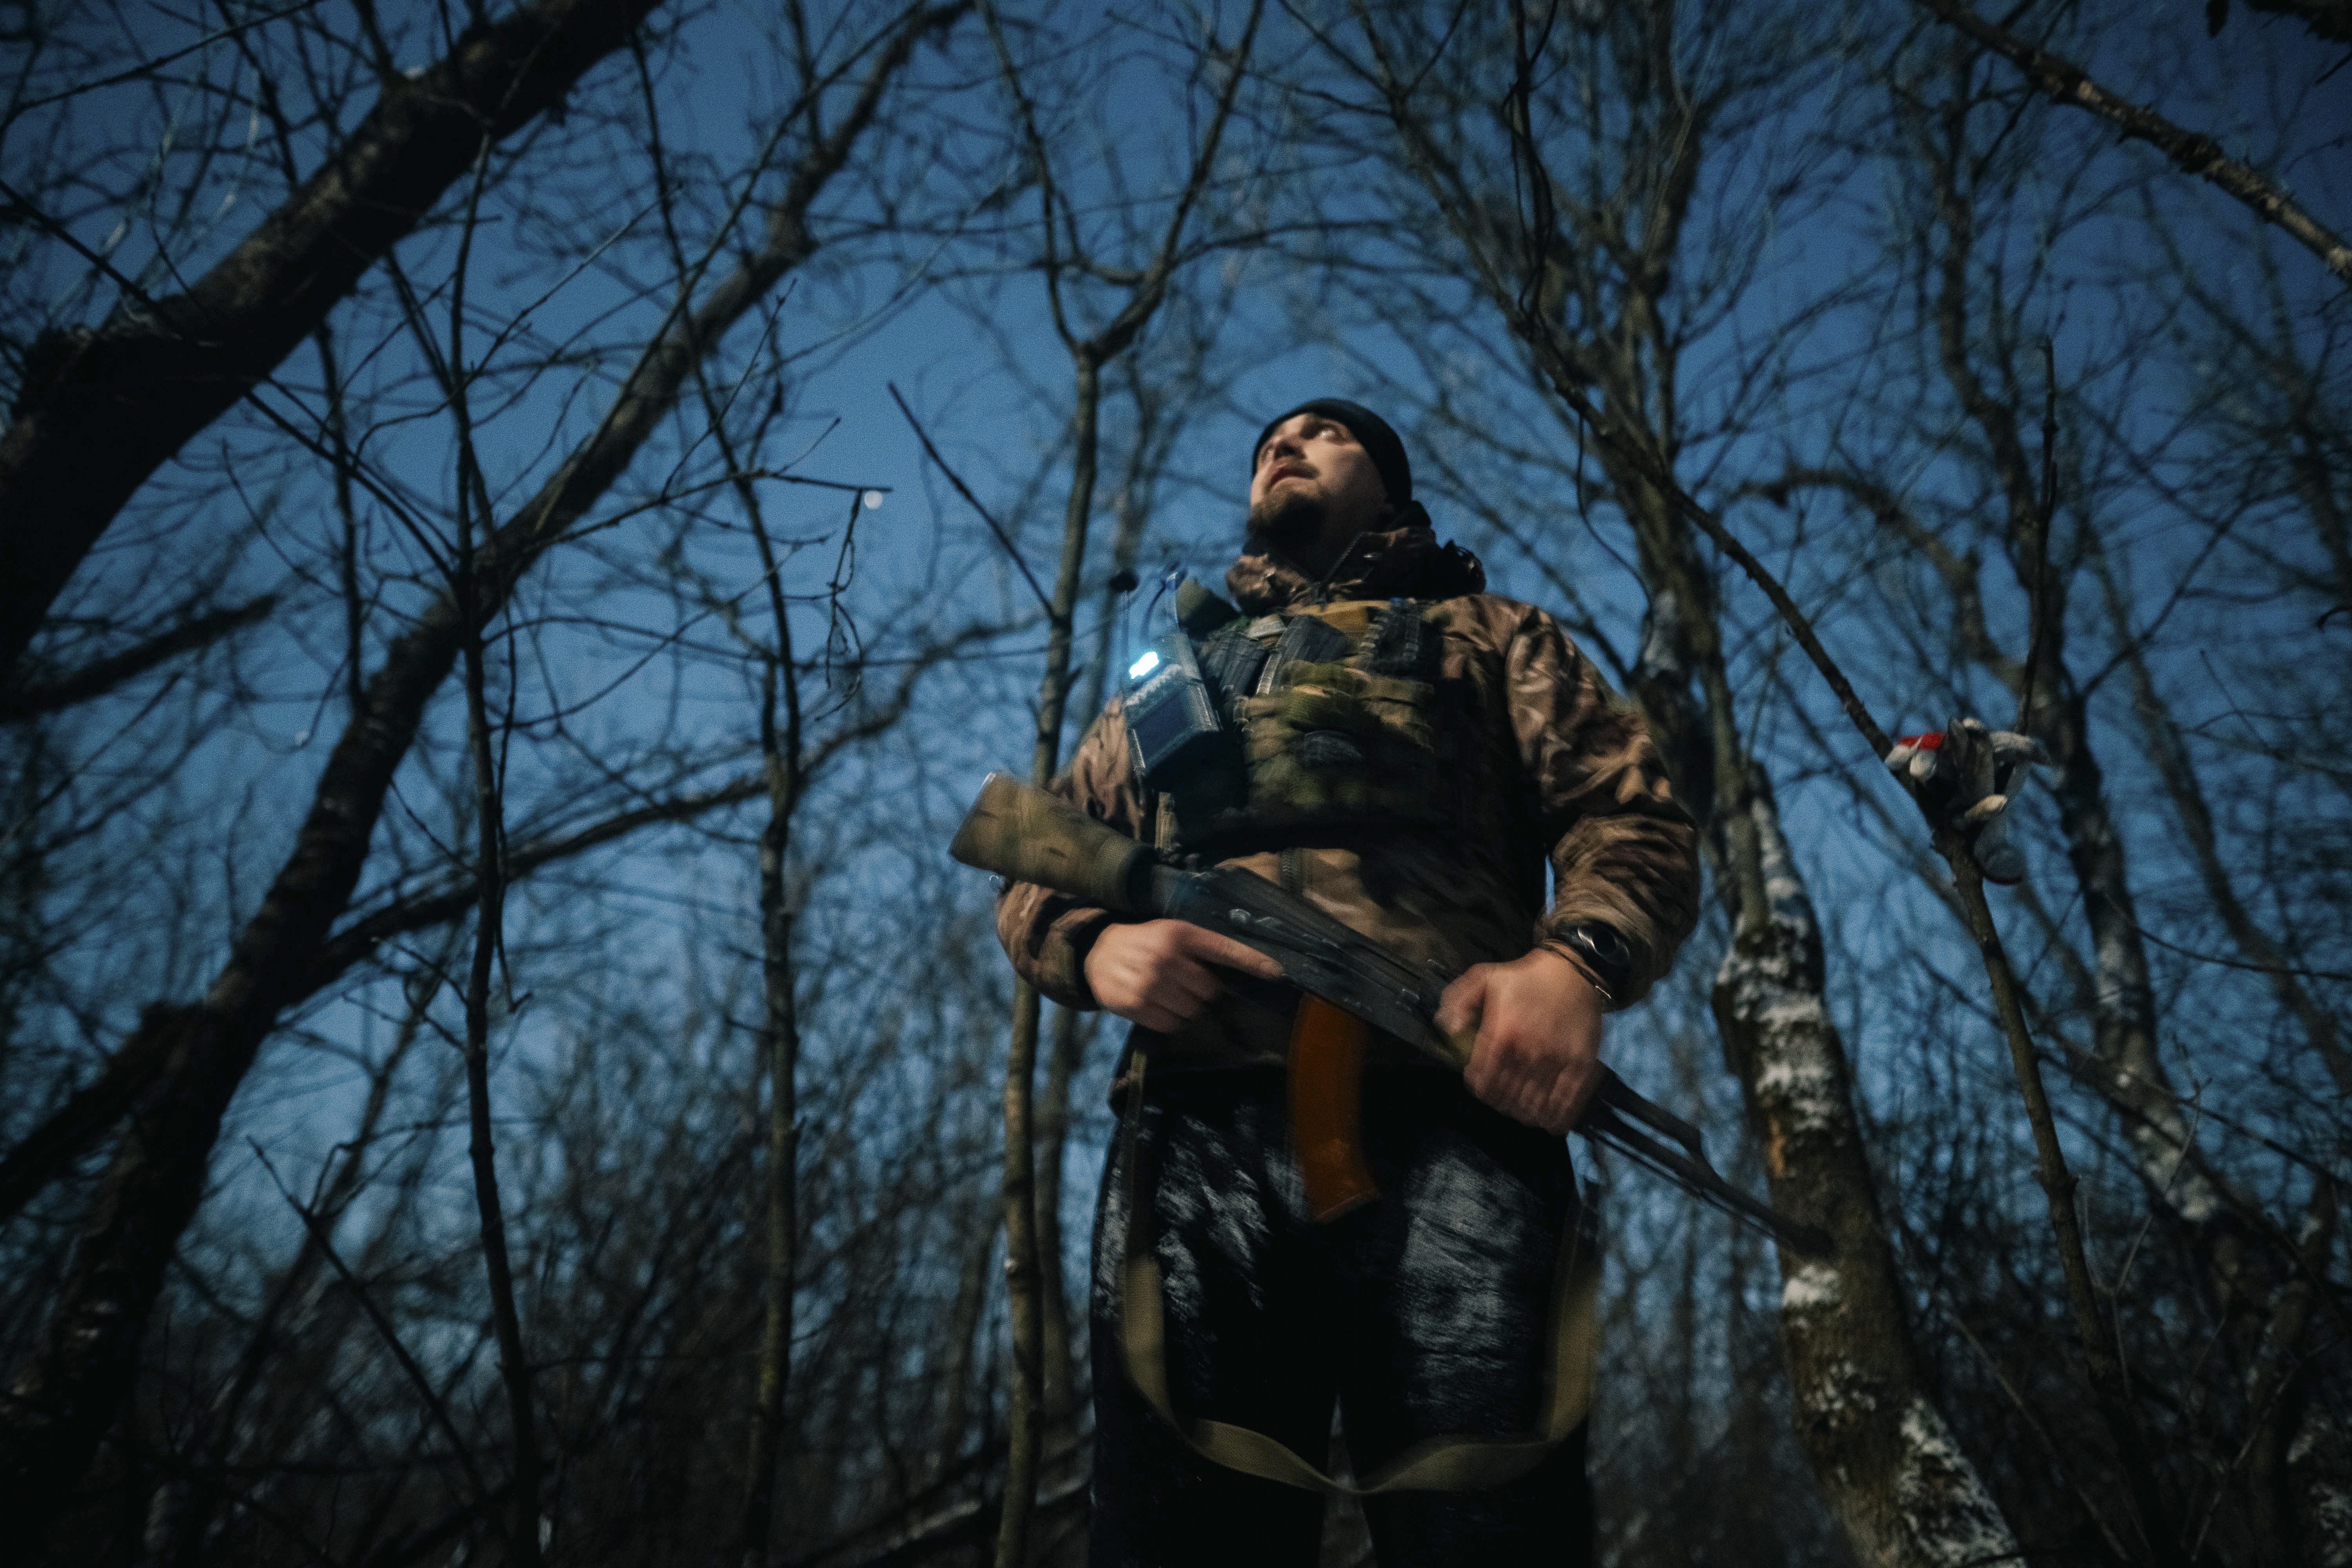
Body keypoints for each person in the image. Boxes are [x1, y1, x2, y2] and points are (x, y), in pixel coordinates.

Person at [995, 399, 1701, 1566]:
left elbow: (1631, 820)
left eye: (1328, 432)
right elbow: (1036, 854)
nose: (1288, 441)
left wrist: (1575, 967)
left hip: (1455, 1112)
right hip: (1198, 1134)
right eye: (1274, 435)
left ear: (1392, 483)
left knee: (1487, 1523)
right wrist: (1093, 947)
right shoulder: (1168, 675)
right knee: (1180, 1530)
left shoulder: (1495, 636)